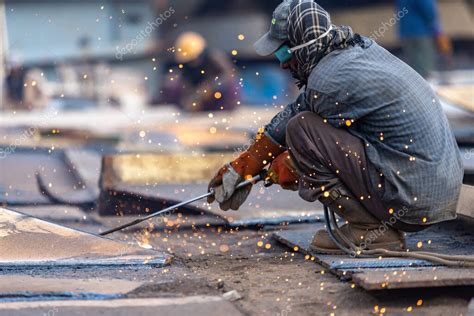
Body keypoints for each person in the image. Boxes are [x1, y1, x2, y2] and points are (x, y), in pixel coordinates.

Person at [207, 0, 463, 253]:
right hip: (435, 190)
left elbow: (303, 127)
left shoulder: (329, 79)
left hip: (413, 197)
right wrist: (246, 165)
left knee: (301, 130)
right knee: (301, 128)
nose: (283, 63)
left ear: (304, 45)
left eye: (284, 53)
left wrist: (291, 165)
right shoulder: (355, 51)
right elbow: (302, 107)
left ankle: (371, 231)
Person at [159, 31, 240, 112]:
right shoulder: (186, 66)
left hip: (221, 97)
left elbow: (230, 75)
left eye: (193, 59)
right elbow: (187, 84)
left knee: (227, 86)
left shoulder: (213, 58)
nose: (192, 63)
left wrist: (211, 87)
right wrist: (191, 97)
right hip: (203, 99)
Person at [396, 0, 452, 78]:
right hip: (421, 32)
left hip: (405, 32)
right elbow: (429, 11)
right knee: (426, 66)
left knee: (414, 64)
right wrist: (436, 28)